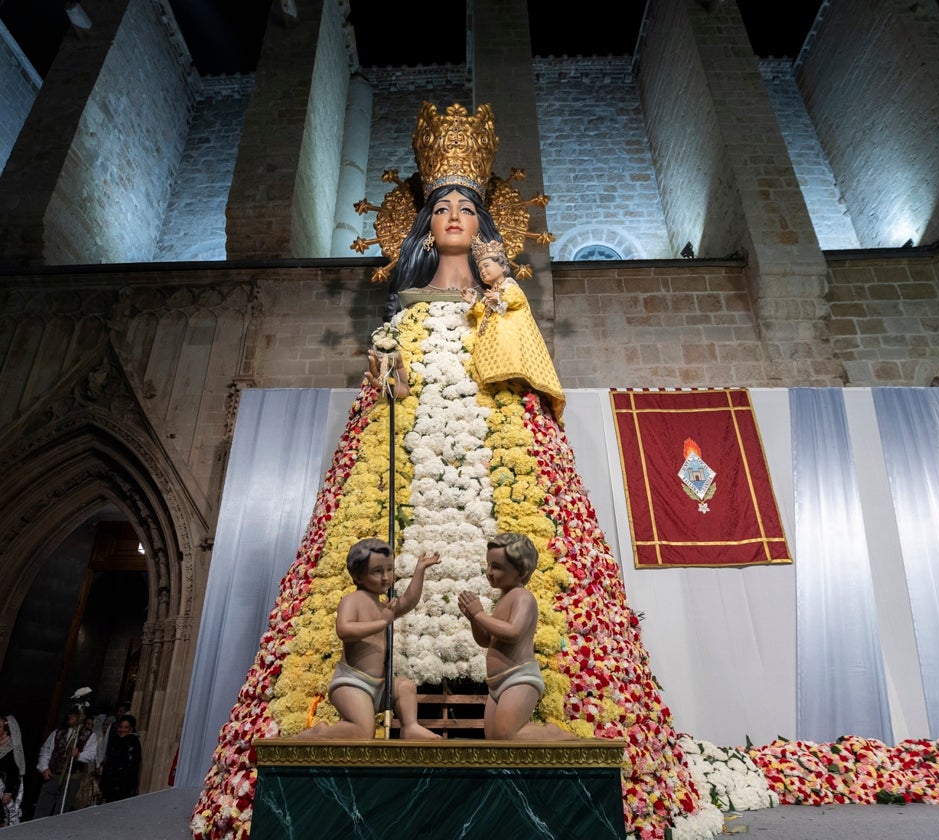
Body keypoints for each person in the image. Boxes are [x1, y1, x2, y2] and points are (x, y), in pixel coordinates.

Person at [192, 102, 699, 840]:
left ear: (487, 227)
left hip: (501, 466)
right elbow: (390, 387)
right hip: (409, 475)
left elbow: (522, 361)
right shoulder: (405, 303)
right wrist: (389, 380)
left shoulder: (500, 298)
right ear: (425, 225)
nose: (456, 214)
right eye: (443, 207)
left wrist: (500, 288)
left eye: (469, 206)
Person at [297, 539, 441, 740]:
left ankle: (410, 727)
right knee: (363, 732)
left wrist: (420, 571)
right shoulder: (352, 600)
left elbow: (408, 601)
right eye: (377, 571)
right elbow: (344, 630)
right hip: (352, 682)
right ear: (357, 575)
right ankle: (322, 732)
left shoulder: (382, 606)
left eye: (389, 569)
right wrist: (381, 623)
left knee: (405, 687)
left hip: (380, 684)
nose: (386, 578)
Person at [458, 533, 578, 741]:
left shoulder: (523, 597)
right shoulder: (505, 597)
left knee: (507, 734)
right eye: (488, 565)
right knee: (495, 738)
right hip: (497, 682)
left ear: (521, 571)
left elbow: (513, 632)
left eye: (496, 567)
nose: (489, 572)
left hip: (519, 677)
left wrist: (479, 614)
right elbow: (487, 640)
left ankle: (551, 734)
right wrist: (473, 620)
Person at [461, 235, 565, 424]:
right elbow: (482, 314)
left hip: (509, 338)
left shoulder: (509, 286)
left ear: (502, 266)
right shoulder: (491, 293)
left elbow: (516, 300)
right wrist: (473, 303)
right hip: (490, 342)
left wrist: (500, 300)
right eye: (480, 268)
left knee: (511, 363)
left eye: (487, 266)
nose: (483, 271)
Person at [31, 709, 96, 818]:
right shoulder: (58, 732)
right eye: (70, 714)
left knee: (61, 812)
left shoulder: (89, 735)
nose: (70, 716)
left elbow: (91, 754)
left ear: (82, 717)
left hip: (71, 780)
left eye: (74, 715)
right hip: (53, 776)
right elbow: (46, 751)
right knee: (42, 810)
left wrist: (79, 755)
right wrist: (44, 768)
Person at [98, 715, 141, 803]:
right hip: (113, 789)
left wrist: (114, 781)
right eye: (120, 727)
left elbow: (129, 767)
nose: (122, 730)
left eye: (126, 727)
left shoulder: (131, 742)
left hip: (120, 790)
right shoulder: (119, 741)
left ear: (131, 729)